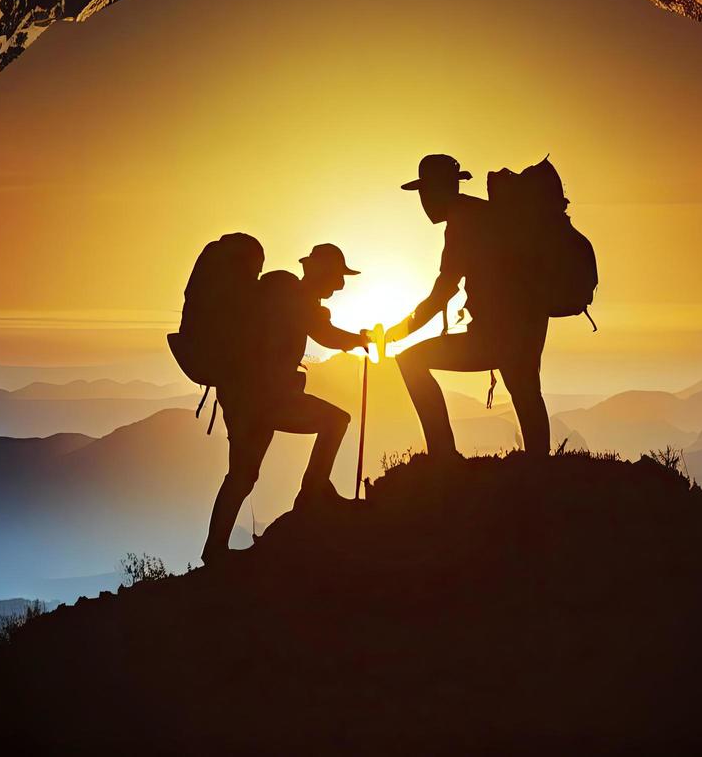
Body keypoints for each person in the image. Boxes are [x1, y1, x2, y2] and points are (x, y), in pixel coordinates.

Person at [203, 243, 371, 563]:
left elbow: (320, 330)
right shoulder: (293, 296)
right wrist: (359, 340)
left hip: (248, 397)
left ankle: (215, 549)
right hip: (262, 398)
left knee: (242, 474)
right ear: (320, 273)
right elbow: (325, 334)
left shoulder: (286, 293)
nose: (340, 284)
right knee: (335, 421)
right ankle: (313, 496)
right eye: (337, 276)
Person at [388, 154, 551, 460]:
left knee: (411, 361)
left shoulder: (462, 222)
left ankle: (443, 456)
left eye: (425, 192)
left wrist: (402, 330)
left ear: (439, 190)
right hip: (527, 322)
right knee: (526, 390)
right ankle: (539, 466)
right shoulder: (483, 214)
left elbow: (444, 289)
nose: (424, 202)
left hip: (499, 331)